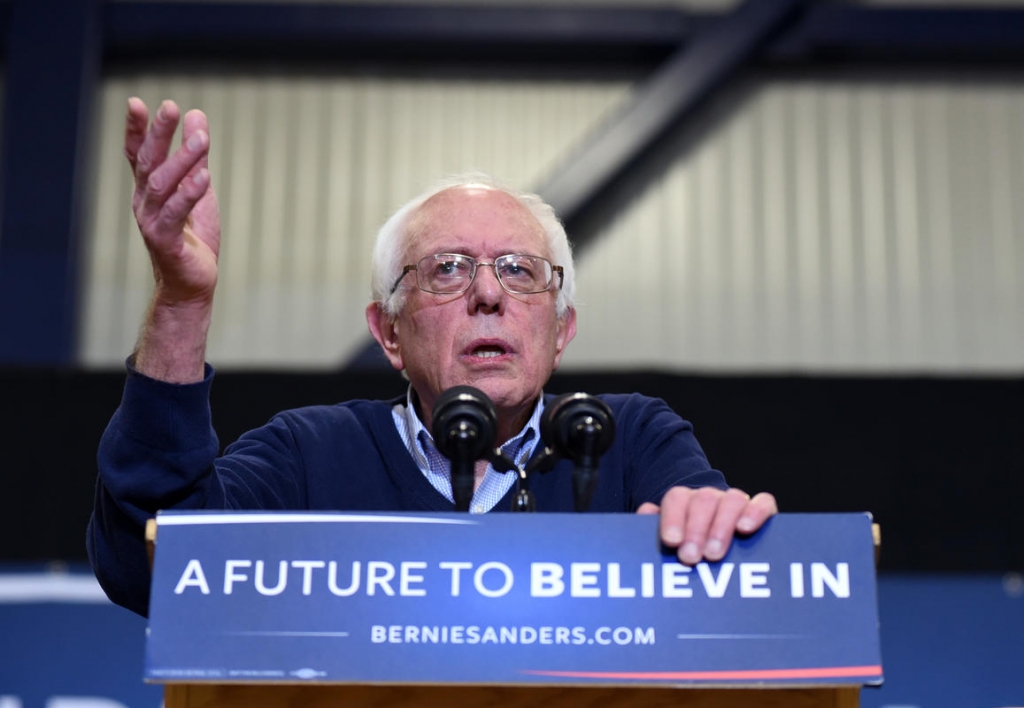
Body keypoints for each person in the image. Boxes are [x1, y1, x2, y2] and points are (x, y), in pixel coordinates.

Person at [87, 99, 777, 616]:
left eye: (519, 269)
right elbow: (152, 561)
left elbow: (721, 573)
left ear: (561, 331)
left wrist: (715, 531)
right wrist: (182, 301)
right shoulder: (309, 455)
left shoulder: (627, 441)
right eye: (447, 269)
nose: (486, 293)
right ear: (388, 333)